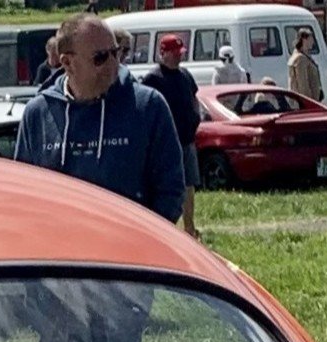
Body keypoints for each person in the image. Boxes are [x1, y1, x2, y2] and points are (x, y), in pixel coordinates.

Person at [14, 14, 185, 222]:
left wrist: (145, 243)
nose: (113, 63)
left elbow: (171, 189)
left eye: (115, 53)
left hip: (130, 248)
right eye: (100, 57)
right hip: (59, 248)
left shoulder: (148, 106)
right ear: (67, 62)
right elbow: (24, 195)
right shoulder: (38, 114)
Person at [142, 34, 201, 237]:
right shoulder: (154, 79)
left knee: (189, 183)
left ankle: (190, 227)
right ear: (163, 53)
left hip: (187, 139)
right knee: (168, 185)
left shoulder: (185, 75)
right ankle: (165, 229)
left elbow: (194, 98)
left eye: (180, 53)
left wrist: (196, 118)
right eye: (174, 53)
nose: (178, 57)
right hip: (166, 142)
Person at [289, 29, 324, 102]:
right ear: (304, 40)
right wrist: (309, 102)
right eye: (310, 39)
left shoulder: (305, 56)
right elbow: (303, 85)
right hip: (306, 102)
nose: (313, 42)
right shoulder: (300, 58)